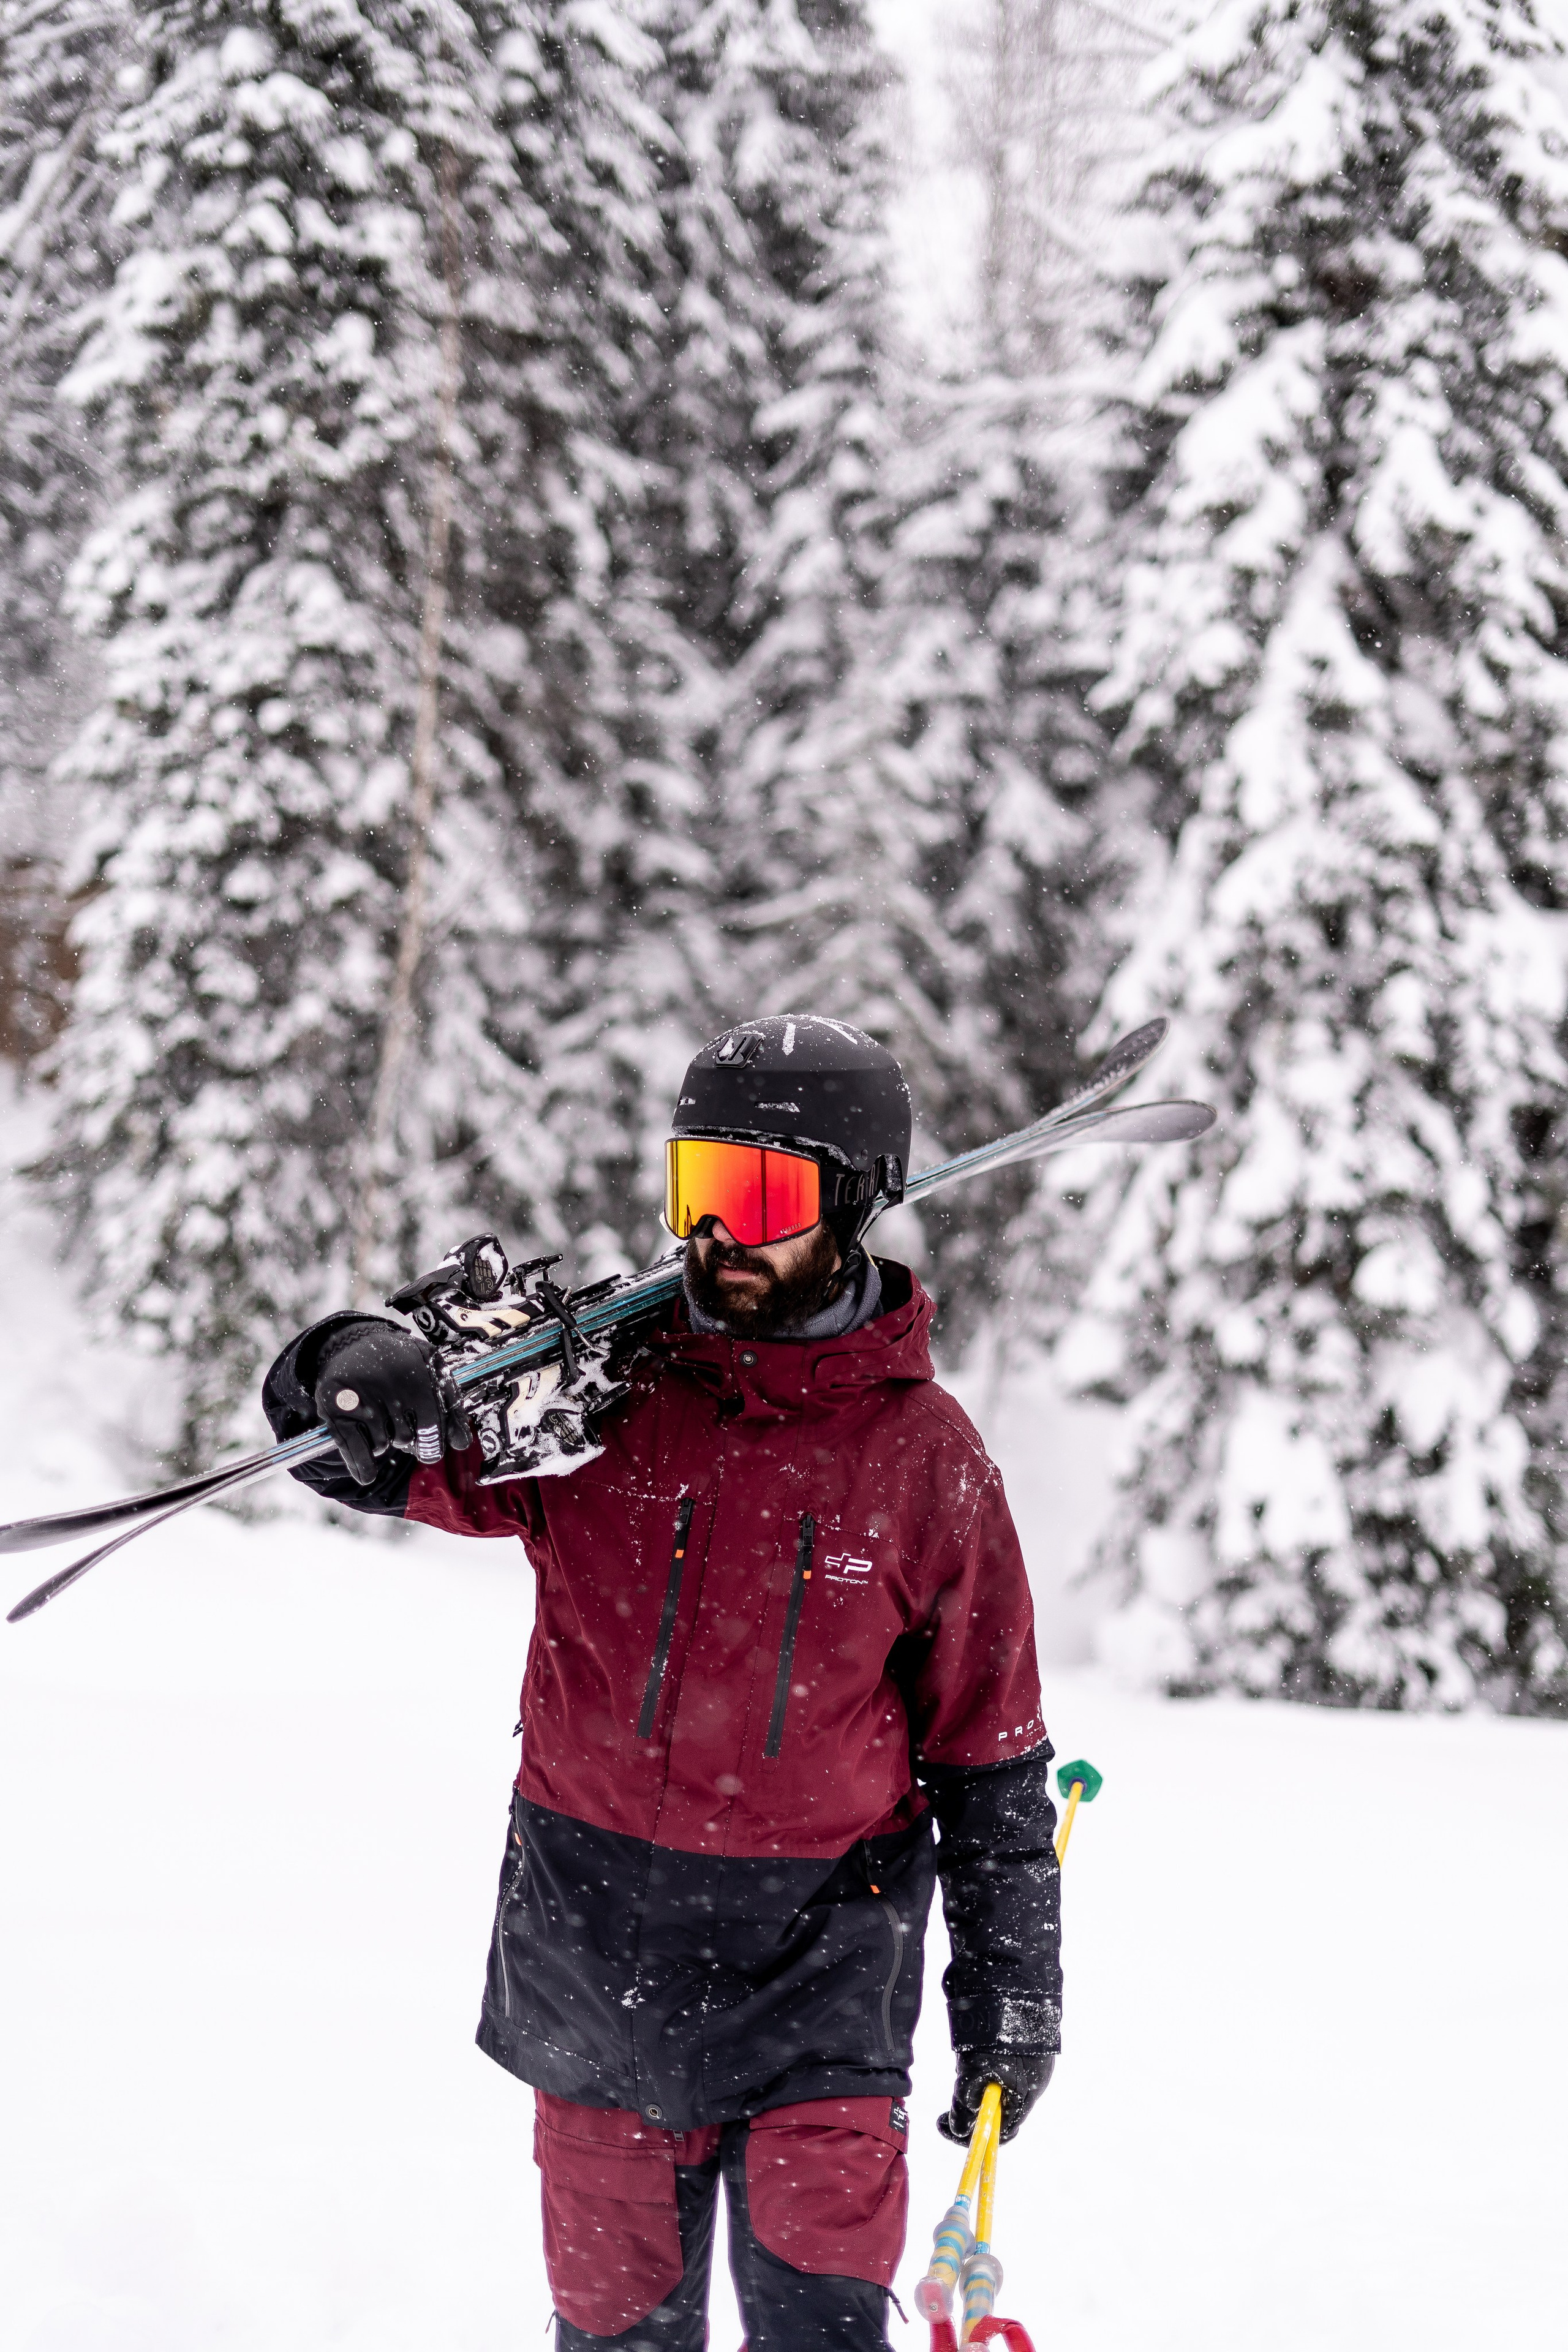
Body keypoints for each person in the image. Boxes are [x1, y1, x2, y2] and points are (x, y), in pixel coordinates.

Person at [263, 1016, 1061, 2351]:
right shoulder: (590, 1400)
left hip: (819, 1977)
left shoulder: (927, 1461)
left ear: (855, 1204)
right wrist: (344, 1363)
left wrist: (1011, 1997)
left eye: (762, 1199)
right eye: (698, 1188)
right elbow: (346, 1454)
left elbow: (990, 1762)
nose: (716, 1238)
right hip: (592, 1971)